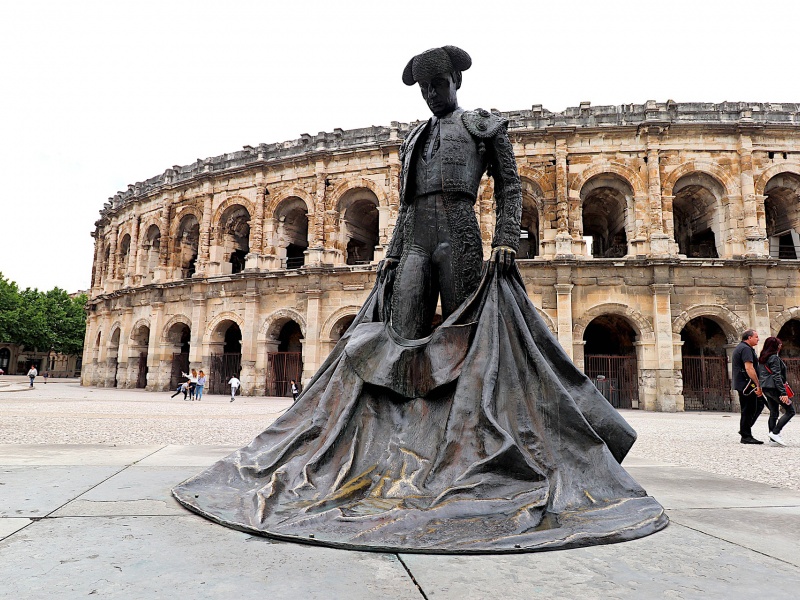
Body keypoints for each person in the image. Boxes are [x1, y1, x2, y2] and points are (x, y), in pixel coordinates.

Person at [377, 45, 520, 339]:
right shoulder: (414, 138)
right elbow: (406, 203)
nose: (431, 94)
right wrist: (392, 253)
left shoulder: (483, 125)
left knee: (462, 333)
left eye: (438, 84)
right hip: (415, 242)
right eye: (424, 88)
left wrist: (505, 240)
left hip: (459, 235)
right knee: (402, 332)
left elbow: (510, 186)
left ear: (457, 79)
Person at [757, 336, 796, 446]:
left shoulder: (762, 358)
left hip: (766, 388)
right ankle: (775, 433)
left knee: (774, 412)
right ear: (775, 346)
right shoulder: (774, 358)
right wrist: (783, 393)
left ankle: (772, 439)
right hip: (775, 388)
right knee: (790, 411)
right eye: (779, 345)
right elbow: (776, 376)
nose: (780, 346)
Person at [732, 329, 766, 444]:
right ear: (749, 337)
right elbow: (749, 368)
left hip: (744, 383)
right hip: (747, 384)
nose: (758, 339)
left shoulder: (742, 347)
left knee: (758, 405)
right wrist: (757, 384)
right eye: (756, 337)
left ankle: (744, 430)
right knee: (749, 409)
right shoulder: (746, 349)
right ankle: (746, 435)